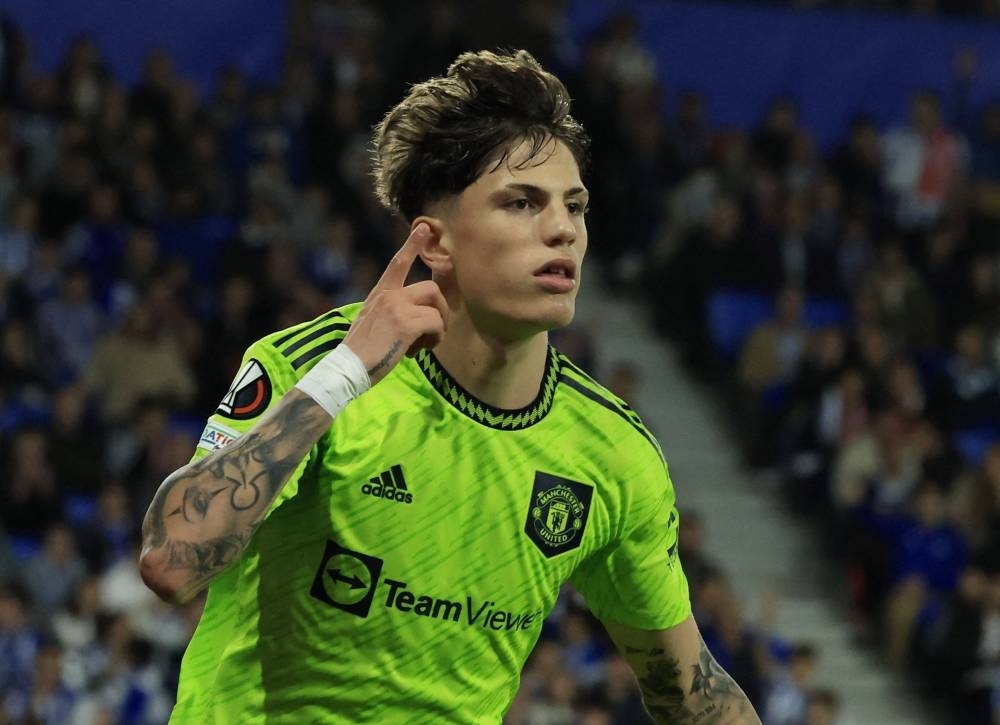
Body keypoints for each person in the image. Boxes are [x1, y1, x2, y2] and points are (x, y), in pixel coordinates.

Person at [139, 49, 761, 724]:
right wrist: (346, 376)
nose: (562, 229)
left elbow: (692, 693)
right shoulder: (315, 367)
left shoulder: (612, 452)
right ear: (434, 243)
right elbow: (172, 562)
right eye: (521, 203)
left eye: (574, 206)